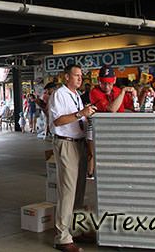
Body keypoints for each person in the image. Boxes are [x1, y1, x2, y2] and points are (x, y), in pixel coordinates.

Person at [48, 64, 96, 252]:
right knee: (67, 190)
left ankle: (74, 229)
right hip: (66, 143)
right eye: (76, 75)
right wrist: (80, 114)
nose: (79, 78)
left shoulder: (75, 95)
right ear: (66, 77)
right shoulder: (59, 94)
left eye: (80, 76)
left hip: (79, 143)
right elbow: (58, 121)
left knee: (78, 190)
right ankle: (62, 237)